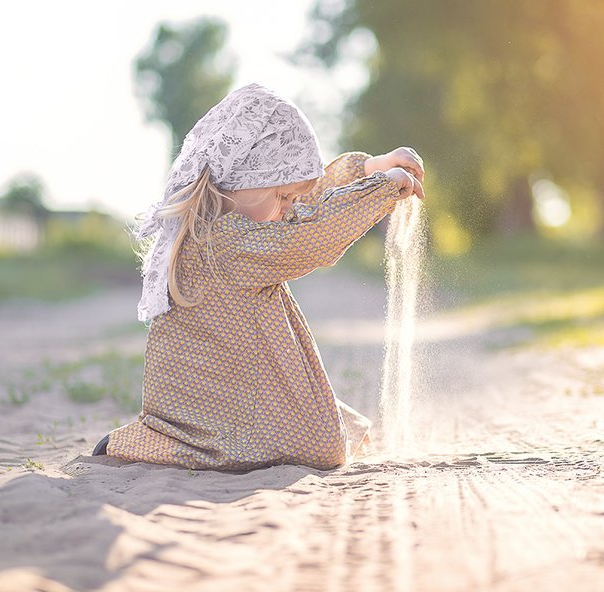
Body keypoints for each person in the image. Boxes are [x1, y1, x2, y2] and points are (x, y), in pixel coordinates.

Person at [94, 82, 424, 471]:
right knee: (319, 445)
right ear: (244, 179)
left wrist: (369, 168)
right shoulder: (227, 242)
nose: (288, 209)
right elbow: (310, 236)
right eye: (282, 198)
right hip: (209, 403)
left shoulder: (220, 223)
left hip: (225, 388)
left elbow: (306, 203)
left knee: (328, 429)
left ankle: (175, 433)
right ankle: (157, 441)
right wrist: (377, 190)